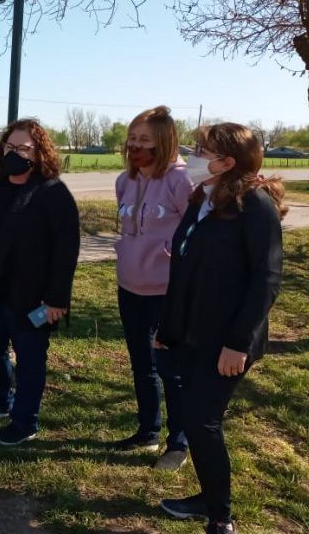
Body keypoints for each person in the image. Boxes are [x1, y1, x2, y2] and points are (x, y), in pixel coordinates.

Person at [156, 123, 285, 534]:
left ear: (228, 162)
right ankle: (208, 497)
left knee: (201, 421)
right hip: (191, 332)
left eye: (202, 149)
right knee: (197, 420)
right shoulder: (202, 199)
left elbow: (266, 280)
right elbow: (182, 264)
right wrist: (168, 328)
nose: (193, 155)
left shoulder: (255, 205)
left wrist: (238, 343)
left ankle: (220, 518)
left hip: (227, 341)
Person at [0, 119, 80, 446]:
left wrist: (57, 299)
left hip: (31, 295)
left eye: (23, 148)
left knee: (30, 356)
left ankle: (25, 421)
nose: (15, 153)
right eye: (10, 146)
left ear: (39, 153)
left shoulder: (53, 193)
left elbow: (66, 251)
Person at [112, 106, 194, 470]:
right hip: (129, 286)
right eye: (132, 139)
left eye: (145, 140)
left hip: (167, 292)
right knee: (141, 364)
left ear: (164, 142)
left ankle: (178, 442)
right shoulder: (124, 181)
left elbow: (195, 234)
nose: (136, 147)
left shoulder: (181, 182)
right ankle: (148, 430)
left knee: (170, 368)